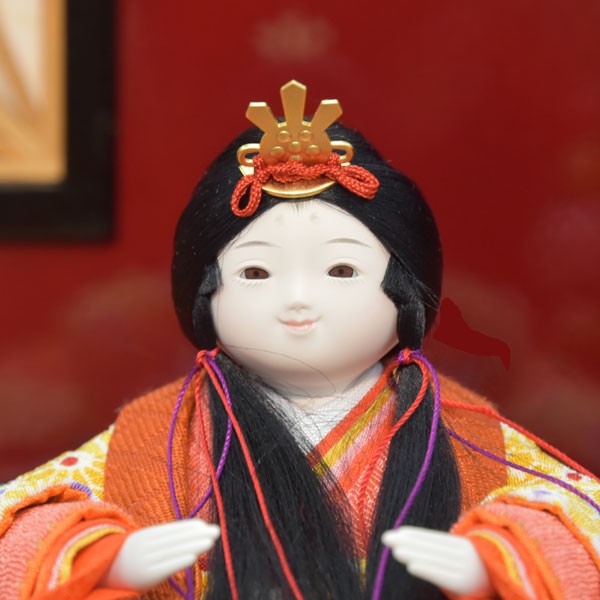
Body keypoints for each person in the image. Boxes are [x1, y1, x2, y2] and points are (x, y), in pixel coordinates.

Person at [1, 81, 598, 599]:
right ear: (206, 293)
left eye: (341, 270)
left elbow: (576, 516)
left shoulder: (465, 432)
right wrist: (107, 559)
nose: (298, 301)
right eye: (256, 272)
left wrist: (498, 560)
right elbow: (26, 520)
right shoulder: (160, 434)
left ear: (403, 290)